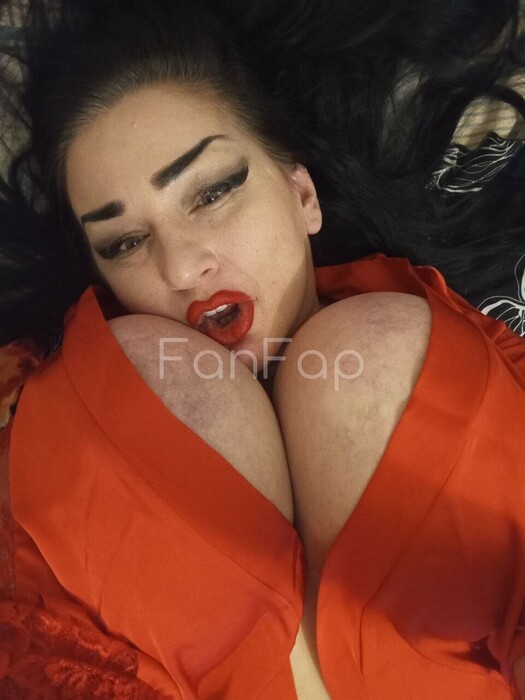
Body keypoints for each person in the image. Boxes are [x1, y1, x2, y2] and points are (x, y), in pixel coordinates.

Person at [0, 0, 524, 698]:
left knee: (369, 355)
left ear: (302, 195)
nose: (182, 267)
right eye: (124, 242)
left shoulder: (407, 351)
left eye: (211, 193)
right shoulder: (72, 411)